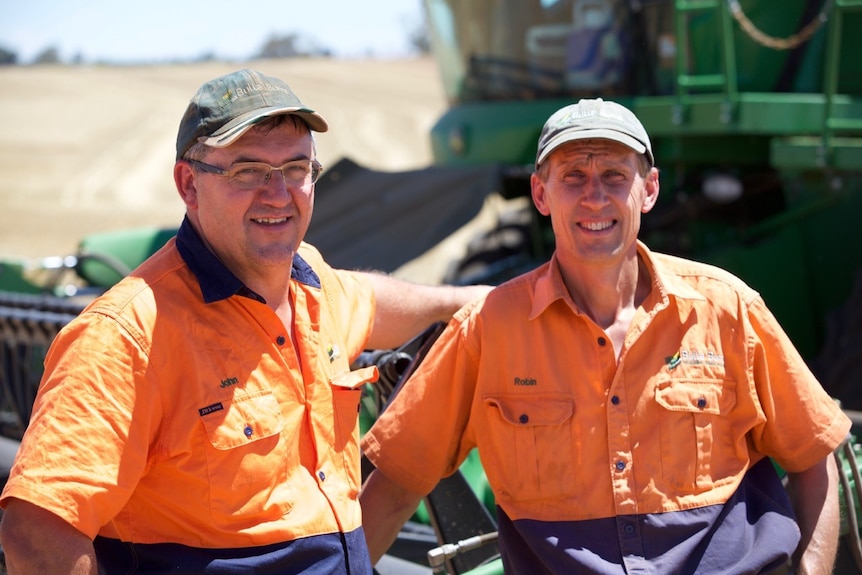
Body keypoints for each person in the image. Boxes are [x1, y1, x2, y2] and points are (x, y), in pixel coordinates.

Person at [0, 68, 489, 575]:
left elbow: (373, 299)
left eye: (296, 169)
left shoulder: (311, 285)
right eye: (247, 171)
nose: (278, 194)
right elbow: (36, 538)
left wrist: (472, 299)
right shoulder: (127, 338)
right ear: (189, 185)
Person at [360, 98, 852, 574]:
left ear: (650, 189)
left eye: (615, 175)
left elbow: (813, 457)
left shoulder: (727, 309)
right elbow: (398, 486)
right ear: (540, 194)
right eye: (573, 176)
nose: (594, 195)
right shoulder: (487, 331)